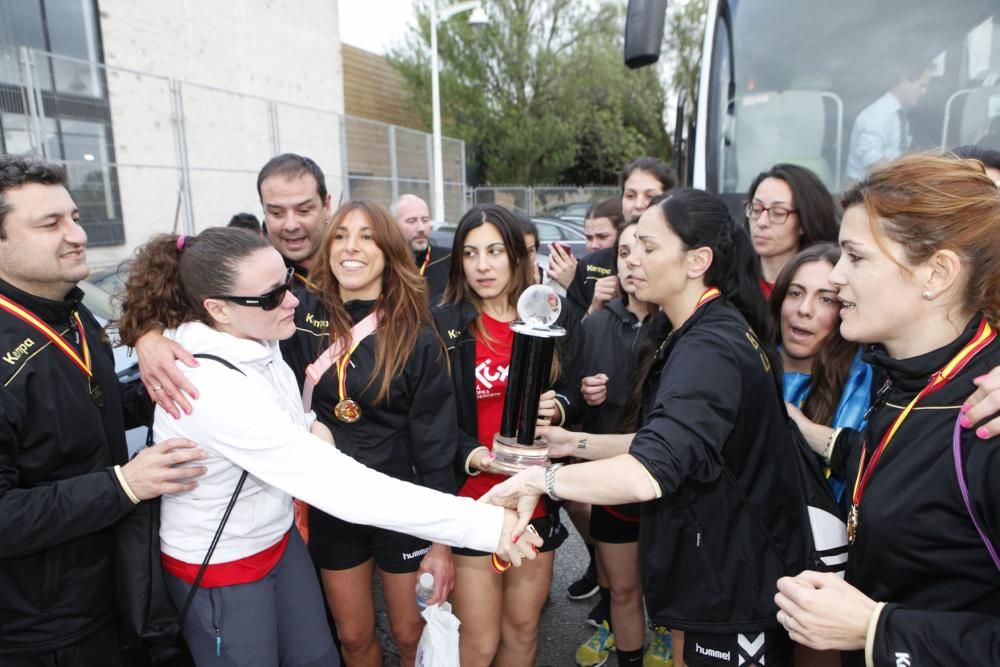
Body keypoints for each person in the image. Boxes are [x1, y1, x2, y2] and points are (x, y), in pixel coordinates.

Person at [117, 226, 541, 667]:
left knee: (318, 656)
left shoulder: (257, 340)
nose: (293, 301)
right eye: (270, 297)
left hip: (277, 541)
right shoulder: (205, 385)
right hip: (223, 565)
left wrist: (309, 429)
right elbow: (341, 488)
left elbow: (295, 423)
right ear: (216, 309)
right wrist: (488, 526)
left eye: (287, 283)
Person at [484, 188, 813, 667]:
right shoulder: (695, 330)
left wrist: (543, 479)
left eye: (649, 247)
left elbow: (650, 470)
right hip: (718, 575)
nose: (631, 259)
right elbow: (674, 441)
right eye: (631, 246)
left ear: (697, 260)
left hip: (738, 582)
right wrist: (570, 441)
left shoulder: (710, 347)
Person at [774, 154, 1000, 666]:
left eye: (855, 257)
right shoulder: (903, 374)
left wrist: (876, 627)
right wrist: (810, 432)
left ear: (937, 273)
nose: (834, 277)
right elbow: (905, 461)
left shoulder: (988, 413)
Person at [0, 154, 207, 664]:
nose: (76, 234)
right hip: (43, 629)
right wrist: (124, 485)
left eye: (73, 216)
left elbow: (95, 415)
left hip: (113, 589)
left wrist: (169, 378)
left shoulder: (73, 315)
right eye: (50, 224)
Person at [283, 200, 464, 667]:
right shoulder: (298, 316)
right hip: (332, 504)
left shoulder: (417, 332)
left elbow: (436, 445)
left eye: (366, 236)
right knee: (353, 636)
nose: (351, 247)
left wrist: (441, 542)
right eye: (341, 235)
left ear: (387, 250)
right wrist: (152, 337)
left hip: (401, 504)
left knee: (409, 636)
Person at [432, 203, 576, 667]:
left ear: (517, 255)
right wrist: (473, 456)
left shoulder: (549, 319)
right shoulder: (445, 326)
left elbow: (577, 389)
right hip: (476, 499)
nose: (483, 265)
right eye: (471, 253)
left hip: (535, 497)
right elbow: (430, 420)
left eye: (495, 251)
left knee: (523, 630)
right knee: (478, 643)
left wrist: (560, 408)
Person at [572, 219, 658, 667]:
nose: (632, 262)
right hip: (611, 479)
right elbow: (569, 404)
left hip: (666, 482)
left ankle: (661, 631)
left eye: (643, 250)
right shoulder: (595, 324)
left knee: (665, 581)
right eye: (623, 253)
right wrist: (584, 395)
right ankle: (623, 643)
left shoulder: (678, 325)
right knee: (621, 585)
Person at [770, 244, 873, 503]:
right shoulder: (748, 366)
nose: (804, 309)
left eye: (826, 299)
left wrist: (805, 429)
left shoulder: (864, 382)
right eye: (795, 293)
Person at [556, 159, 676, 321]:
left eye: (650, 196)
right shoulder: (592, 265)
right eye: (630, 195)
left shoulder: (683, 263)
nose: (639, 204)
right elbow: (570, 339)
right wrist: (595, 309)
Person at [745, 163, 840, 297]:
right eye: (756, 209)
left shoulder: (830, 286)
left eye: (778, 213)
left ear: (804, 221)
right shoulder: (730, 281)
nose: (761, 222)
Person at [846, 65, 931, 181]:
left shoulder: (899, 114)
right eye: (922, 85)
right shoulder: (878, 114)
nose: (923, 92)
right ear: (904, 82)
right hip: (866, 191)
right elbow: (871, 161)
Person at [258, 153, 333, 283]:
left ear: (326, 205)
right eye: (277, 213)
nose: (291, 226)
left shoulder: (366, 268)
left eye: (303, 211)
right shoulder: (253, 286)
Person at [391, 193, 450, 304]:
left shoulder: (449, 259)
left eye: (425, 220)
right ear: (394, 226)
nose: (421, 228)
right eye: (412, 221)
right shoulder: (385, 264)